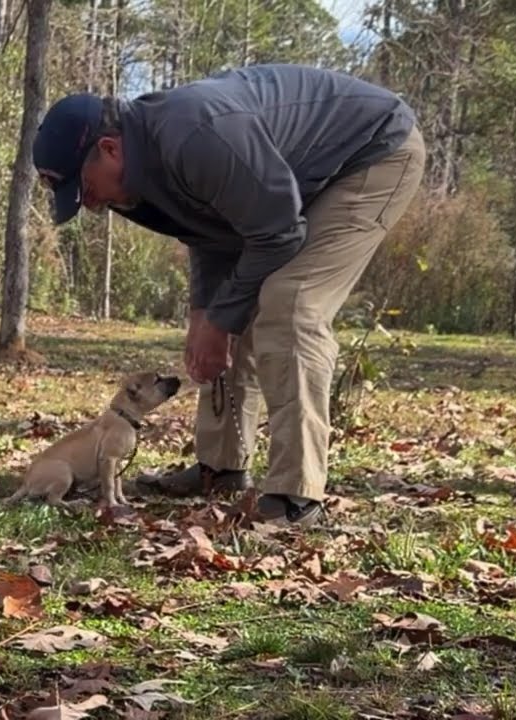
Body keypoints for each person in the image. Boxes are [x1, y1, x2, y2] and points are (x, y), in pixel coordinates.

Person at [32, 63, 426, 526]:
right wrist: (205, 314)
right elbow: (211, 233)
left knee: (290, 303)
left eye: (86, 189)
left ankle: (296, 497)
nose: (92, 205)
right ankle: (220, 468)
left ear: (110, 148)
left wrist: (220, 321)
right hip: (291, 188)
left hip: (372, 153)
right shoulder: (135, 173)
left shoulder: (195, 133)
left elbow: (279, 231)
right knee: (226, 310)